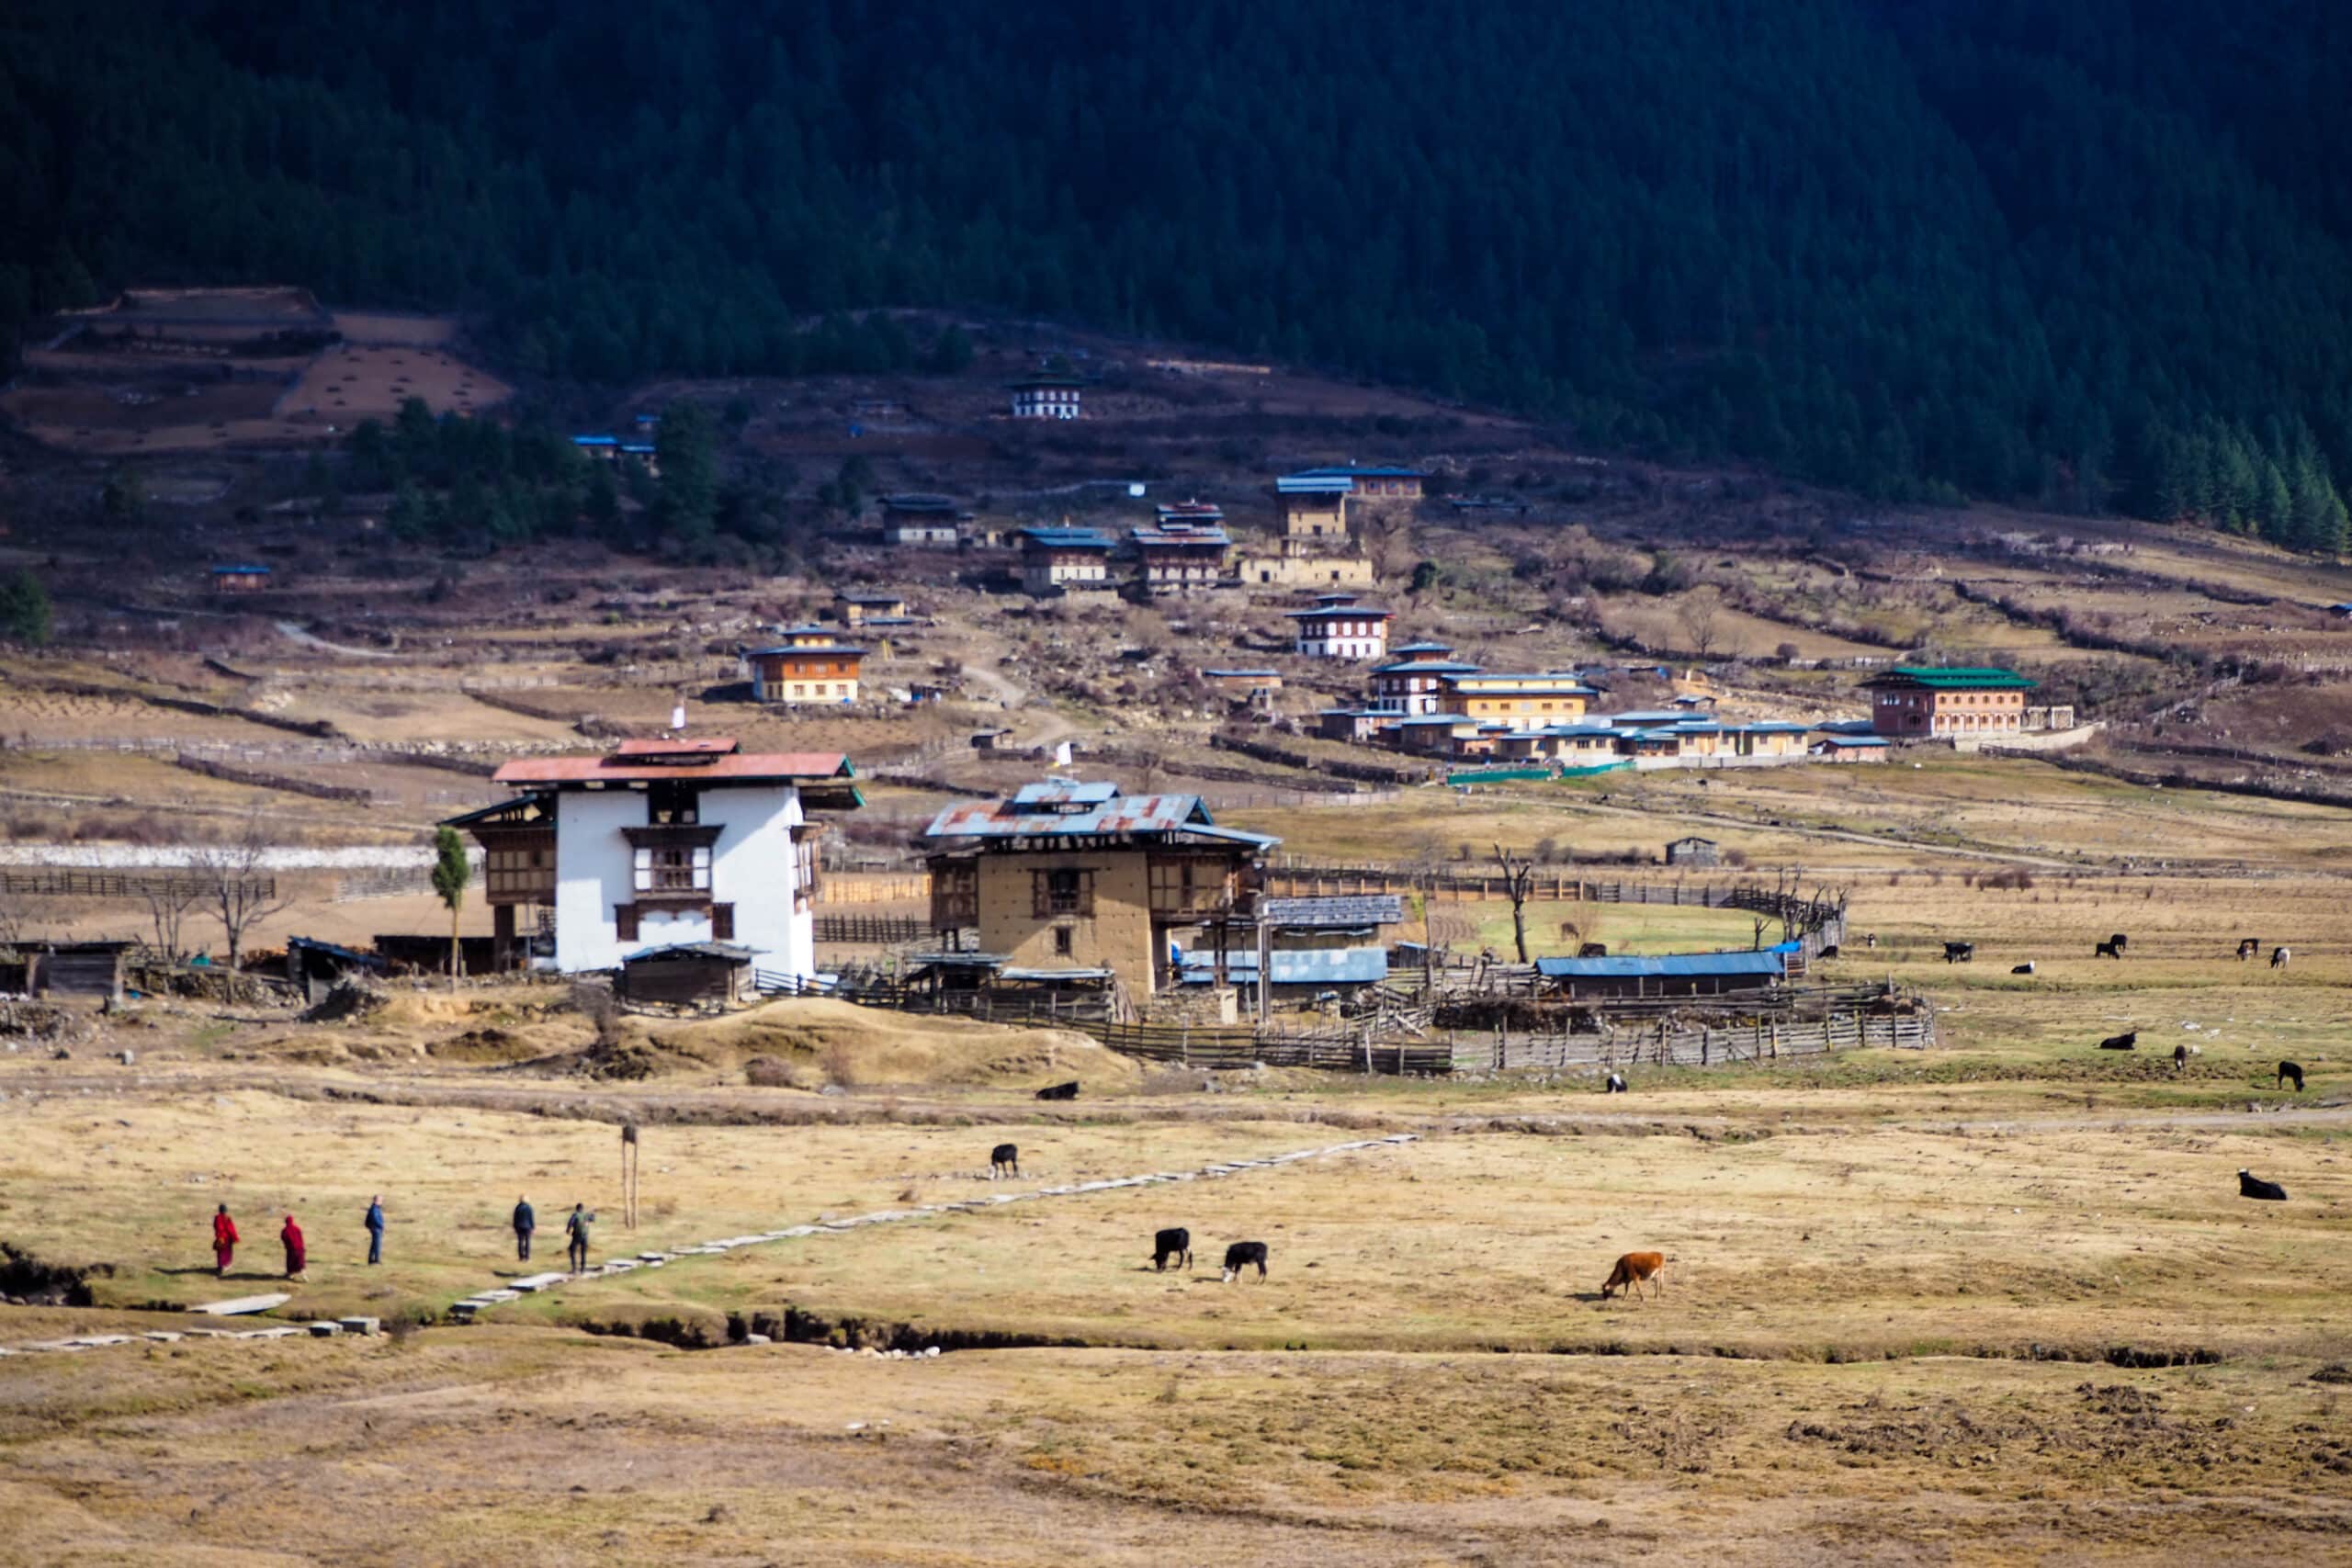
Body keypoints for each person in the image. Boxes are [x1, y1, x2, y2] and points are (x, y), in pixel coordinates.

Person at [211, 1204, 239, 1277]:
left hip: (219, 1238)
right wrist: (235, 1238)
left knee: (220, 1253)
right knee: (227, 1253)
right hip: (227, 1239)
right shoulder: (227, 1218)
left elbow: (215, 1227)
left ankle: (220, 1266)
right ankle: (225, 1266)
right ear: (225, 1210)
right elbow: (230, 1229)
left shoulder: (216, 1218)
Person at [565, 1202, 591, 1273]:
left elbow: (570, 1223)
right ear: (582, 1208)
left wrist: (568, 1230)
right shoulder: (586, 1215)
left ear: (576, 1209)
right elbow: (592, 1218)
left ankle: (574, 1269)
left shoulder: (575, 1215)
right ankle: (583, 1269)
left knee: (572, 1250)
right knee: (583, 1252)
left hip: (577, 1236)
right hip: (585, 1236)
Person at [280, 1214, 307, 1281]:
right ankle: (304, 1276)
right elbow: (301, 1238)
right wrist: (302, 1247)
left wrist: (287, 1246)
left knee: (291, 1263)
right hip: (300, 1249)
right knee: (300, 1264)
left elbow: (284, 1239)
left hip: (292, 1250)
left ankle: (290, 1275)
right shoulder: (297, 1228)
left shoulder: (285, 1230)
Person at [513, 1196, 536, 1262]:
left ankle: (521, 1257)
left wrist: (514, 1226)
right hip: (527, 1227)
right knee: (527, 1242)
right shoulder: (529, 1208)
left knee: (520, 1242)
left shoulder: (518, 1207)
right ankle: (527, 1257)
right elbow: (531, 1218)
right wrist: (533, 1227)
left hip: (519, 1226)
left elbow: (515, 1218)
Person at [364, 1195, 385, 1266]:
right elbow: (375, 1219)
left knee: (374, 1244)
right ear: (377, 1201)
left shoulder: (375, 1208)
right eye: (381, 1200)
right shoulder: (374, 1209)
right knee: (377, 1244)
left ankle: (371, 1259)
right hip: (376, 1229)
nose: (382, 1202)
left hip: (375, 1228)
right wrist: (381, 1225)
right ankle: (376, 1260)